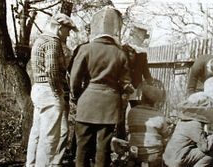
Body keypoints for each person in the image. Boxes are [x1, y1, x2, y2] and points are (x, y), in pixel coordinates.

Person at [69, 7, 133, 167]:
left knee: (82, 148)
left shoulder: (85, 49)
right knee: (103, 149)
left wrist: (76, 97)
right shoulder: (120, 53)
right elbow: (126, 83)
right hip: (109, 107)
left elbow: (75, 80)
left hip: (87, 104)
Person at [26, 13, 77, 167]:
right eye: (68, 30)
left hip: (38, 88)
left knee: (37, 132)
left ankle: (31, 164)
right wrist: (58, 93)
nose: (68, 34)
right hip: (49, 92)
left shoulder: (40, 39)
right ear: (60, 27)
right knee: (50, 137)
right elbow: (52, 71)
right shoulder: (52, 42)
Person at [163, 96, 213, 167]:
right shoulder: (194, 124)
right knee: (212, 152)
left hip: (168, 158)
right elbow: (206, 147)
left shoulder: (182, 121)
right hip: (176, 160)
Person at [127, 82, 171, 167]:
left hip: (135, 153)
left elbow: (129, 128)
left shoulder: (132, 112)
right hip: (153, 155)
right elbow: (166, 135)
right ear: (155, 101)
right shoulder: (159, 115)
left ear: (142, 98)